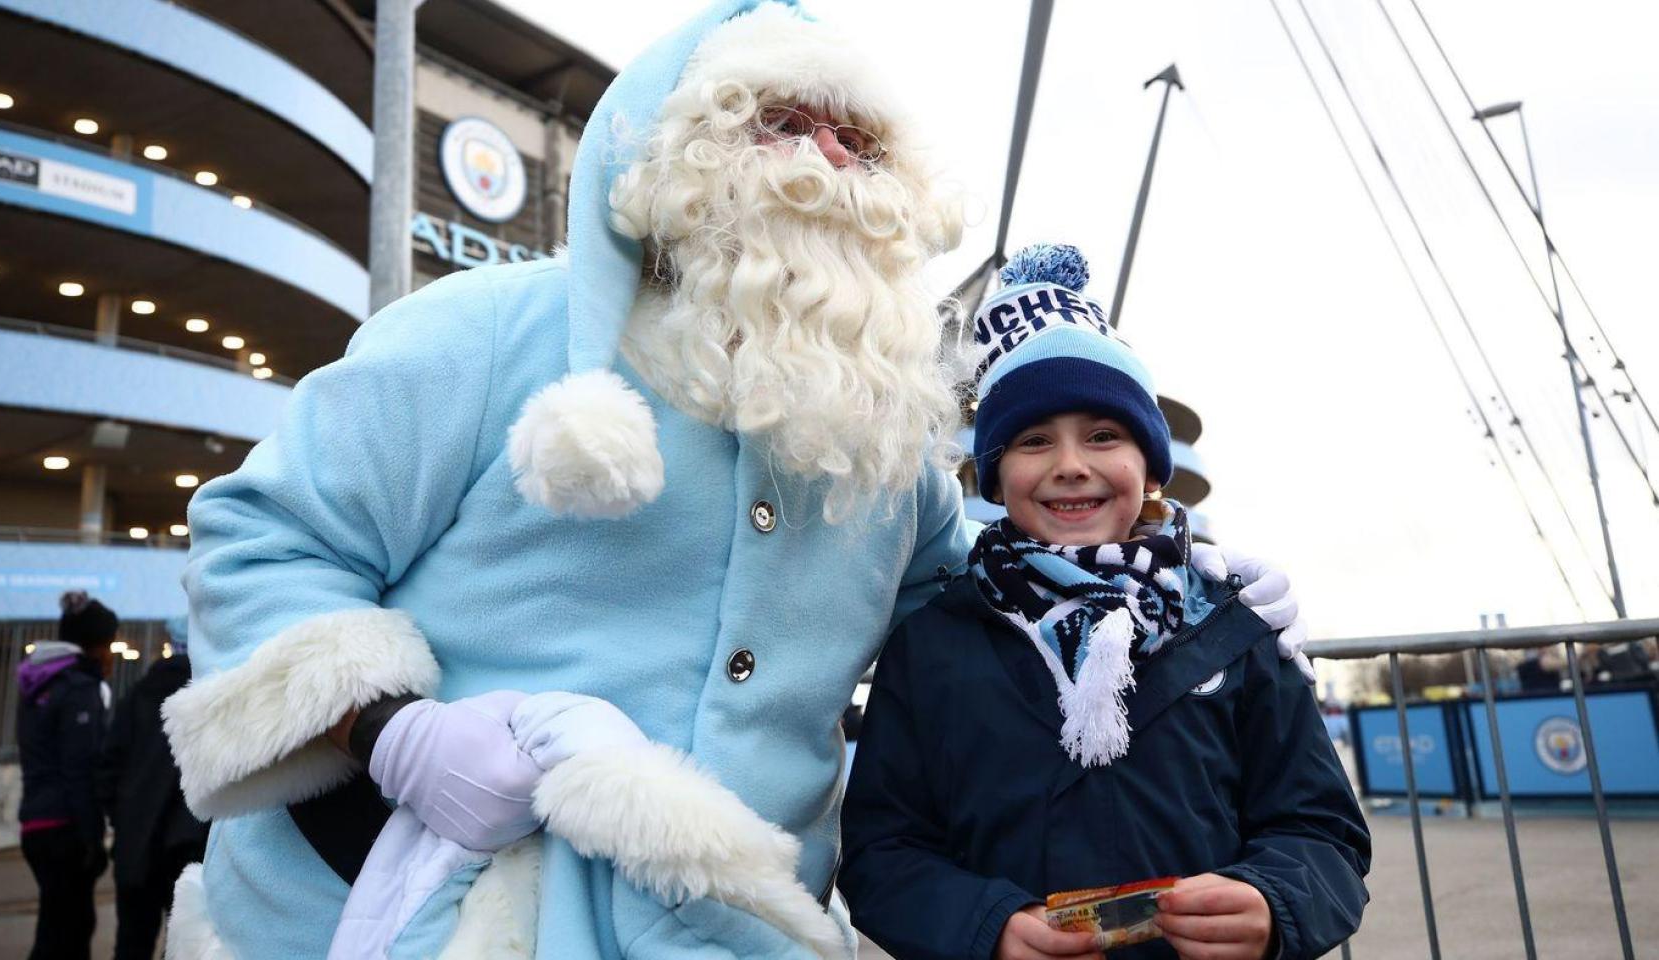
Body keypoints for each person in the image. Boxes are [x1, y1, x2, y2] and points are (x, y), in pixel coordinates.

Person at [159, 5, 1306, 957]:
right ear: (672, 151)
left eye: (855, 143)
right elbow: (261, 535)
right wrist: (390, 733)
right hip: (405, 916)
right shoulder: (491, 332)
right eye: (781, 124)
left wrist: (1171, 591)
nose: (822, 164)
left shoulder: (888, 451)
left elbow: (989, 605)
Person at [840, 245, 1369, 960]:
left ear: (1150, 465)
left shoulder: (1236, 628)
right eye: (1032, 441)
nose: (1070, 464)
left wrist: (1274, 903)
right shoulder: (934, 642)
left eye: (1103, 435)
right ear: (995, 480)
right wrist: (984, 927)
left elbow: (1321, 829)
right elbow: (884, 849)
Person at [97, 618, 207, 960]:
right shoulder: (210, 698)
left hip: (136, 848)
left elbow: (108, 768)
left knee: (132, 943)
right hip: (192, 851)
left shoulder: (139, 694)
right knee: (187, 946)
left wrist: (125, 820)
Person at [17, 590, 115, 960]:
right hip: (64, 829)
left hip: (36, 823)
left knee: (58, 926)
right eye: (109, 643)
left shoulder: (38, 686)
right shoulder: (78, 690)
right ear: (92, 646)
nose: (112, 653)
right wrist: (92, 838)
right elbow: (80, 770)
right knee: (68, 934)